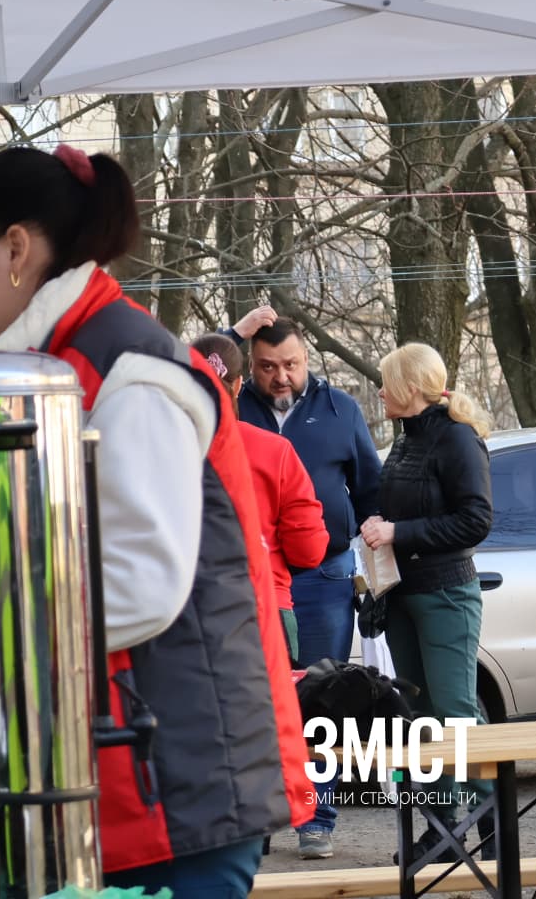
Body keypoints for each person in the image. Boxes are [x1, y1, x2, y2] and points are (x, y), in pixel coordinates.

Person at [0, 144, 311, 899]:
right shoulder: (64, 365)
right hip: (130, 777)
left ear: (16, 248)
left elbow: (138, 584)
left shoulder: (131, 373)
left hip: (174, 786)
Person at [223, 308, 382, 858]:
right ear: (249, 371)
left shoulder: (341, 409)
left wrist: (372, 560)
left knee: (322, 700)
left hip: (323, 575)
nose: (281, 376)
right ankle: (262, 814)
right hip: (260, 582)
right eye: (267, 366)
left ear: (306, 358)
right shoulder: (231, 409)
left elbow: (370, 492)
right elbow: (202, 363)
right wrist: (234, 333)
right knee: (258, 702)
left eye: (290, 364)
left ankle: (317, 817)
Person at [363, 343, 494, 865]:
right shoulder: (403, 442)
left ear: (410, 387)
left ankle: (484, 814)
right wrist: (377, 530)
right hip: (403, 595)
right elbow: (395, 509)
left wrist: (398, 530)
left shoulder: (458, 439)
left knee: (456, 714)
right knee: (425, 716)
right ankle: (445, 830)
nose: (378, 389)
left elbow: (476, 520)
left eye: (386, 381)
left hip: (446, 594)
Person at [192, 334, 327, 665]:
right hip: (264, 603)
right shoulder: (274, 451)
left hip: (186, 609)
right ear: (239, 385)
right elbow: (308, 550)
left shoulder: (158, 448)